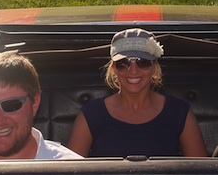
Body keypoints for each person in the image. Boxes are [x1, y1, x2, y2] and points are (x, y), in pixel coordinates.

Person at [67, 28, 208, 157]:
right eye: (124, 63)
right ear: (114, 69)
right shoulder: (90, 115)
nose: (133, 70)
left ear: (154, 67)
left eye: (142, 62)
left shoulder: (180, 112)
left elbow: (203, 174)